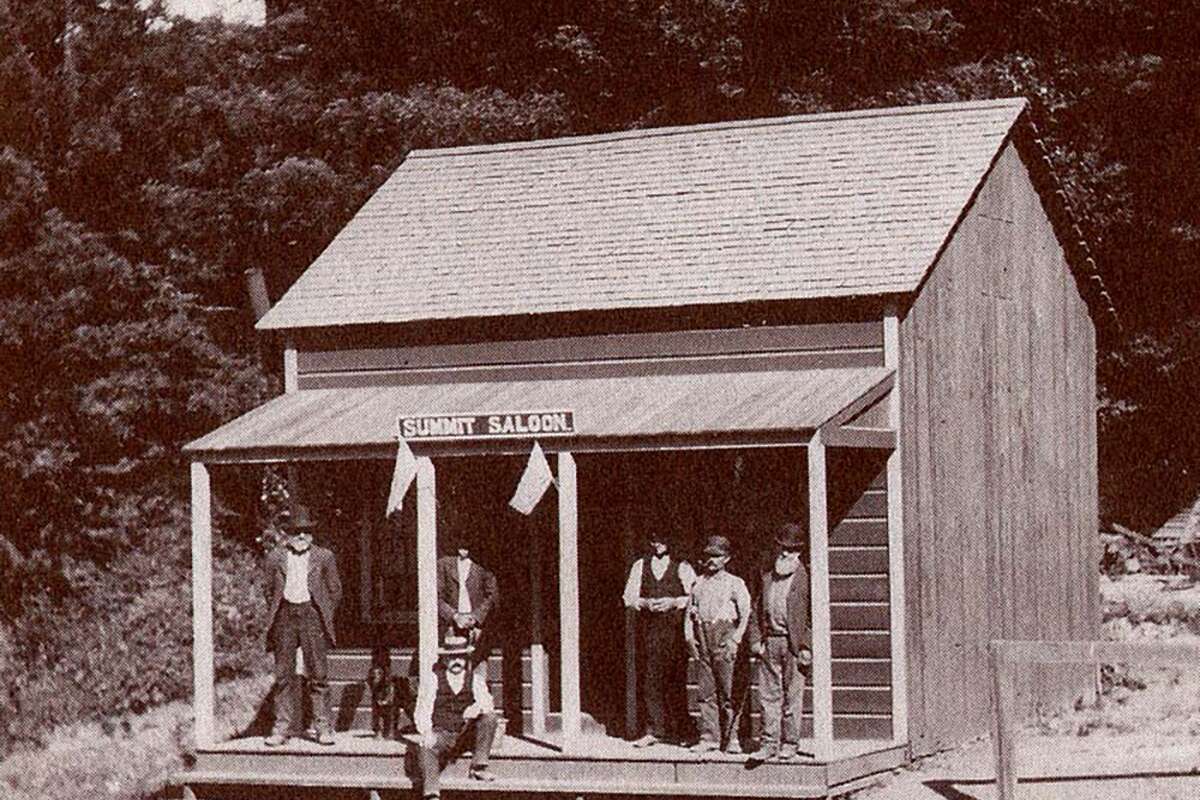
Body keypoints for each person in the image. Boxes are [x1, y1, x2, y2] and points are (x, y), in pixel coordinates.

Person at [262, 504, 343, 746]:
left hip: (311, 615)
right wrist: (280, 609)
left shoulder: (324, 556)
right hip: (285, 615)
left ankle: (323, 727)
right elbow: (268, 590)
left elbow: (335, 590)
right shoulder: (276, 557)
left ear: (312, 534)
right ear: (287, 533)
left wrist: (322, 612)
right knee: (283, 675)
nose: (301, 536)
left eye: (306, 531)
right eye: (296, 531)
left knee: (318, 673)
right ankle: (281, 728)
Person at [622, 532, 696, 747]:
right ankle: (656, 730)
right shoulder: (640, 565)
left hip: (674, 632)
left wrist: (673, 602)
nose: (658, 545)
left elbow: (694, 595)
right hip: (649, 631)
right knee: (651, 680)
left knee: (675, 680)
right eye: (654, 540)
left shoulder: (682, 566)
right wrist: (644, 603)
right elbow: (629, 596)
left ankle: (682, 730)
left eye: (662, 540)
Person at [747, 522, 813, 762]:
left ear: (799, 552)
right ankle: (768, 743)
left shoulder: (805, 577)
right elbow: (755, 610)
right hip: (770, 643)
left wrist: (806, 646)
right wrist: (756, 640)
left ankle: (790, 743)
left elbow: (813, 615)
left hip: (794, 646)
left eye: (791, 549)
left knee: (792, 697)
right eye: (782, 548)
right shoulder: (767, 576)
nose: (785, 553)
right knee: (768, 696)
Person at [684, 534, 751, 755]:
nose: (711, 560)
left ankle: (732, 737)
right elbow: (690, 611)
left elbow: (746, 614)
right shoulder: (698, 582)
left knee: (728, 691)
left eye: (717, 556)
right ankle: (709, 737)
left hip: (725, 636)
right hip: (703, 636)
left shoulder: (735, 583)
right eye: (708, 556)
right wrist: (688, 634)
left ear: (727, 558)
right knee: (706, 691)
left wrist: (736, 639)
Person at [413, 636, 499, 799]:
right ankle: (432, 793)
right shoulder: (433, 680)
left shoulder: (475, 680)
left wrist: (477, 708)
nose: (456, 661)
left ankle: (478, 768)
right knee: (425, 745)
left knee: (490, 718)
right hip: (443, 733)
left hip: (467, 735)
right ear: (445, 659)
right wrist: (426, 731)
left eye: (460, 657)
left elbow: (488, 703)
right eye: (452, 657)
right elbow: (422, 710)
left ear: (466, 659)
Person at [436, 532, 498, 647]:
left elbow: (492, 594)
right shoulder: (444, 564)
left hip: (476, 624)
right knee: (453, 661)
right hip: (451, 624)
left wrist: (476, 617)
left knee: (478, 661)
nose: (464, 549)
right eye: (461, 544)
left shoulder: (482, 565)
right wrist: (454, 616)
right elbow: (435, 595)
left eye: (468, 545)